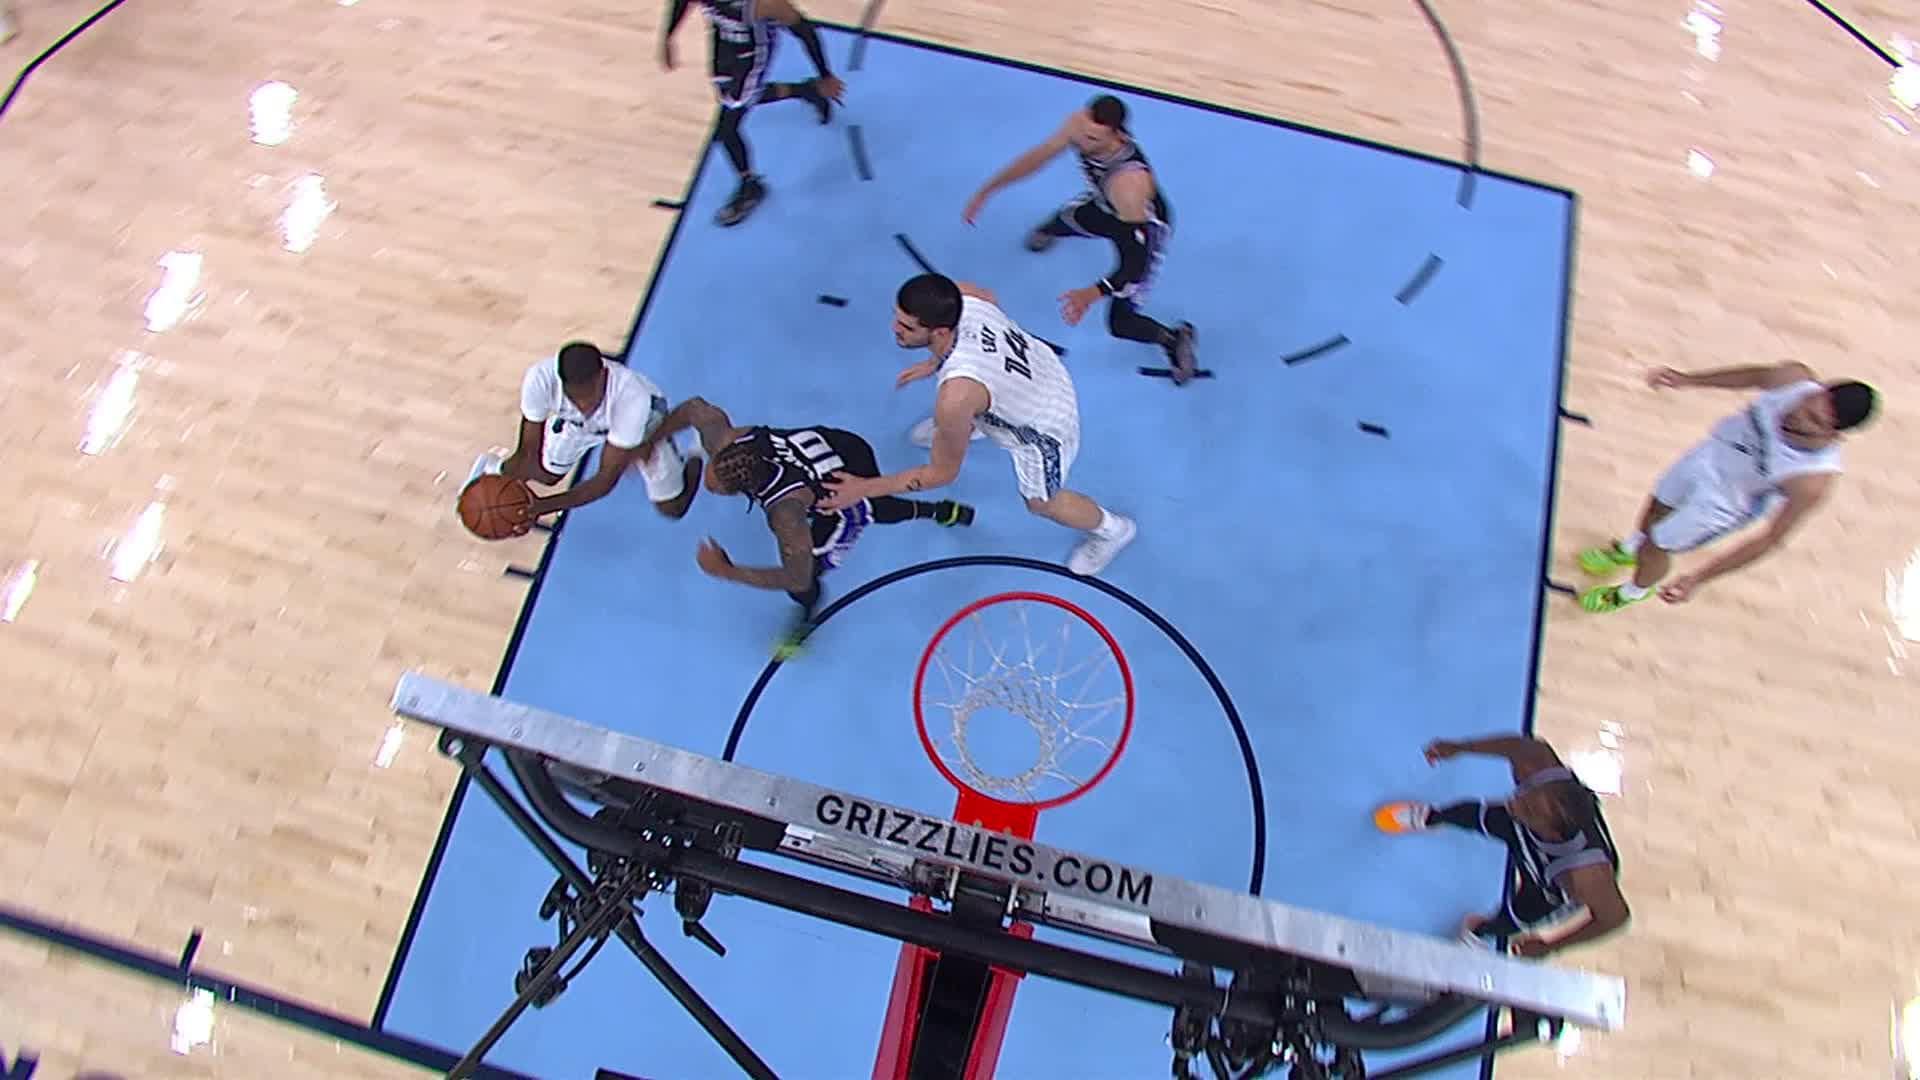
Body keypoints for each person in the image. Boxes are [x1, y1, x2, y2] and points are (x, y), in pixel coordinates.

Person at [817, 273, 1137, 577]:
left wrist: (863, 488)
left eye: (906, 326)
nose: (894, 328)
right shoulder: (962, 297)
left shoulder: (956, 396)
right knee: (961, 411)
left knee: (1041, 503)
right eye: (896, 317)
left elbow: (940, 475)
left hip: (1045, 423)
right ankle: (968, 424)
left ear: (940, 332)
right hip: (1038, 368)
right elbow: (989, 297)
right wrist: (935, 362)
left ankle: (1114, 530)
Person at [639, 395, 975, 657]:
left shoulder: (786, 513)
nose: (709, 484)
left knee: (814, 567)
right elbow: (695, 408)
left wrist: (727, 571)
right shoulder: (729, 439)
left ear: (746, 490)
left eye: (718, 486)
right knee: (877, 502)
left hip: (838, 480)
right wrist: (650, 441)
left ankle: (807, 615)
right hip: (842, 444)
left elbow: (796, 575)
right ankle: (937, 510)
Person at [1577, 361, 1878, 614]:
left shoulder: (1811, 479)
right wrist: (1687, 379)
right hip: (1708, 456)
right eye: (1808, 402)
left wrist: (1697, 580)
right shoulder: (1792, 379)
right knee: (1655, 510)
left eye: (1813, 420)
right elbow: (1751, 376)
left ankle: (1632, 592)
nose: (1799, 413)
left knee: (1657, 546)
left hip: (1724, 501)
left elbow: (1771, 539)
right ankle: (1631, 549)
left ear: (1834, 433)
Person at [962, 94, 1199, 383]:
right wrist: (989, 189)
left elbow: (1134, 264)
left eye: (1093, 139)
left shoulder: (1129, 185)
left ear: (1117, 136)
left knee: (1120, 322)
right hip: (1103, 204)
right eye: (1083, 134)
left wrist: (1091, 293)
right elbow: (1037, 158)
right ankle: (1049, 232)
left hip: (1141, 226)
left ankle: (1174, 339)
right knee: (1064, 219)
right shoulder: (1079, 124)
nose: (1082, 143)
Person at [1373, 734, 1629, 959]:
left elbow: (1615, 919)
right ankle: (1430, 817)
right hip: (1527, 831)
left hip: (1547, 887)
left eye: (1528, 807)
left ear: (1551, 831)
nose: (1516, 799)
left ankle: (1479, 935)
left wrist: (1551, 946)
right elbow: (1515, 746)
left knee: (1513, 919)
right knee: (1473, 813)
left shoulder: (1585, 877)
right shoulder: (1538, 766)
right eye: (1529, 792)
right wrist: (1460, 747)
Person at [468, 342, 701, 533]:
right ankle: (491, 468)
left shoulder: (633, 399)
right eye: (574, 398)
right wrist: (513, 494)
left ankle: (697, 450)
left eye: (589, 397)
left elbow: (604, 480)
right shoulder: (540, 379)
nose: (583, 406)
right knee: (545, 475)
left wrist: (540, 507)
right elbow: (527, 453)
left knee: (673, 507)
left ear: (604, 375)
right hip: (579, 427)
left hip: (643, 428)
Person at [659, 0, 846, 227]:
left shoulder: (763, 4)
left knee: (728, 123)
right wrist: (669, 36)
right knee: (733, 95)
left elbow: (804, 30)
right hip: (723, 35)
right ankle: (807, 91)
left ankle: (750, 184)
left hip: (753, 50)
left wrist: (826, 75)